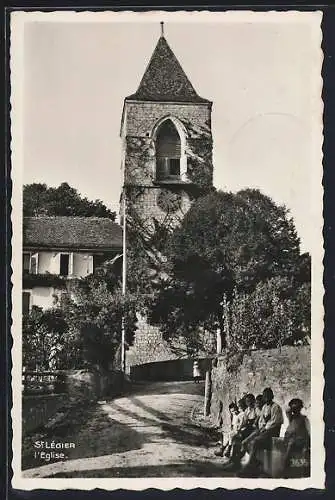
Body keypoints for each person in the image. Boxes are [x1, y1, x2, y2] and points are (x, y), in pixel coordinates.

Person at [239, 387, 284, 476]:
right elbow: (261, 421)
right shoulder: (264, 407)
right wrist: (261, 428)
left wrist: (265, 428)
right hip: (263, 430)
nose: (266, 398)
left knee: (255, 441)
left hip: (272, 432)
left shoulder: (276, 407)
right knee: (246, 441)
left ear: (272, 396)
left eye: (268, 396)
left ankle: (250, 466)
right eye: (265, 396)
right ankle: (253, 461)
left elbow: (275, 422)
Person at [283, 398, 310, 473]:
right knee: (289, 450)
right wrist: (292, 408)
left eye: (297, 408)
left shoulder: (304, 418)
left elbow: (308, 432)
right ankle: (286, 471)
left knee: (305, 454)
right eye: (293, 408)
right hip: (292, 441)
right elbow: (287, 410)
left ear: (300, 408)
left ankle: (305, 473)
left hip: (302, 441)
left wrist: (307, 443)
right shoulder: (291, 418)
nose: (295, 410)